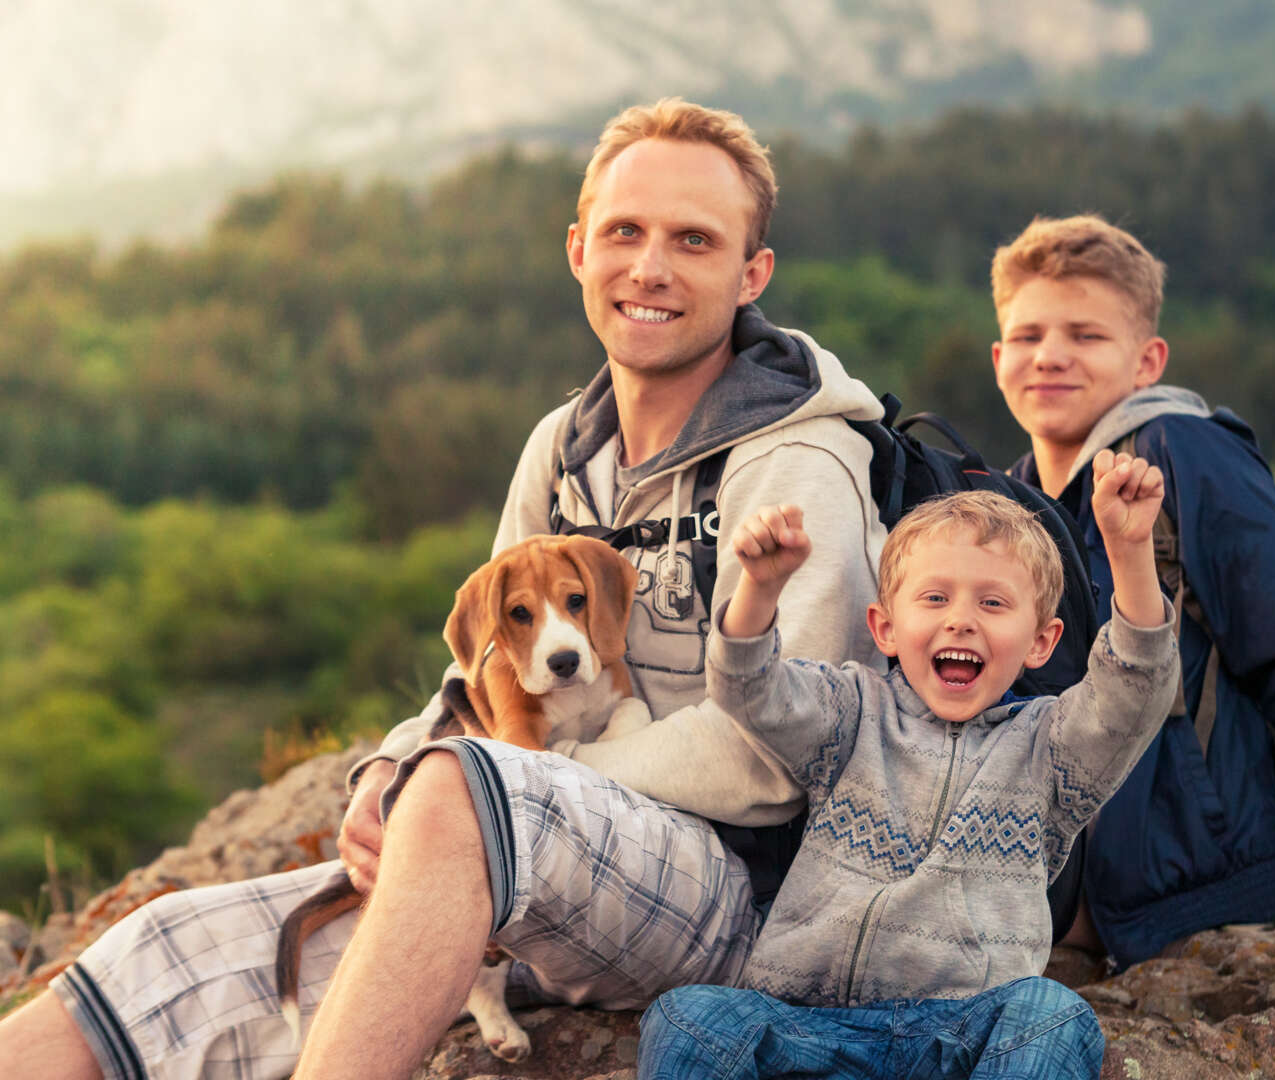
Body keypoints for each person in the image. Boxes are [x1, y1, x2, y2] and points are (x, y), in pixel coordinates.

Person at [0, 99, 890, 1080]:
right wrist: (391, 770)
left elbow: (786, 758)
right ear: (577, 249)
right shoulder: (560, 450)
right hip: (546, 863)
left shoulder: (803, 465)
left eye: (694, 240)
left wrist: (525, 783)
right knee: (174, 949)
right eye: (624, 232)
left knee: (465, 792)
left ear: (751, 272)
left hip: (747, 897)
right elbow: (485, 668)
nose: (649, 266)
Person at [990, 213, 1275, 968]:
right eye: (1030, 336)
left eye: (1087, 336)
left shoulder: (1183, 450)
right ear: (999, 356)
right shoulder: (1009, 506)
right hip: (1054, 903)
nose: (1052, 357)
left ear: (1148, 360)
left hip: (1185, 897)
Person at [637, 465, 1179, 1080]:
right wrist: (761, 588)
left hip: (958, 1034)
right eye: (935, 597)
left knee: (1055, 1016)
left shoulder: (1053, 750)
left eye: (994, 603)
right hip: (805, 1025)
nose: (961, 620)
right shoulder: (849, 711)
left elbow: (1134, 690)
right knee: (688, 1016)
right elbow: (749, 688)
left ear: (1041, 642)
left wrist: (1130, 551)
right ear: (886, 628)